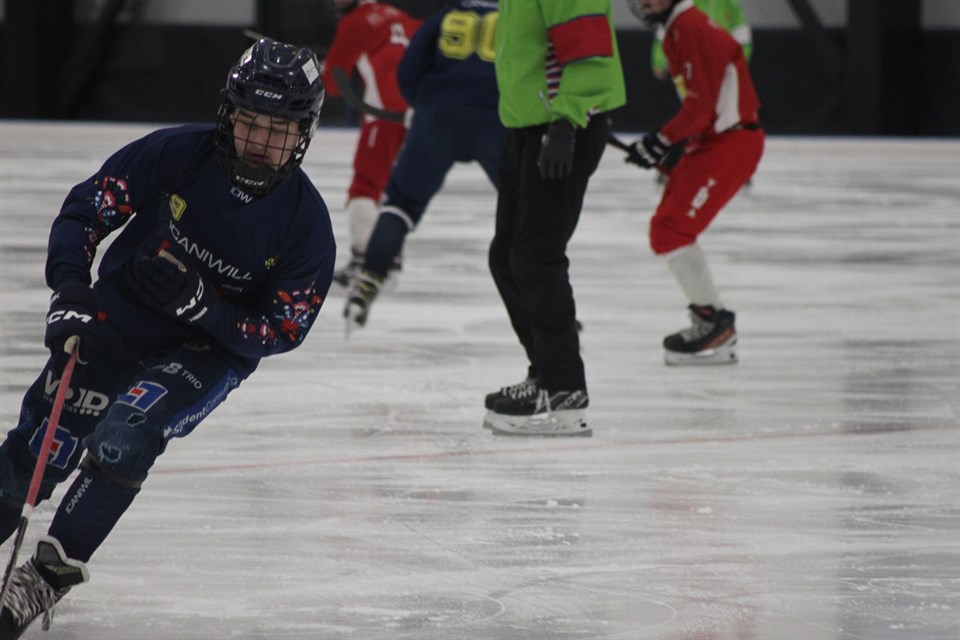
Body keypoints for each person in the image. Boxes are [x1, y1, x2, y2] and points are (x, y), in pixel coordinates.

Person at [0, 38, 332, 638]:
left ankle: (45, 578)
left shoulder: (305, 226)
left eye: (278, 129)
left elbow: (284, 328)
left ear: (303, 133)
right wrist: (71, 290)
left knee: (128, 433)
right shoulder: (176, 153)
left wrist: (208, 310)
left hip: (207, 352)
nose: (259, 140)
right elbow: (87, 209)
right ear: (227, 113)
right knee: (41, 448)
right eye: (249, 121)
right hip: (120, 317)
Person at [482, 0, 626, 437]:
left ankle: (564, 390)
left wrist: (565, 122)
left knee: (536, 256)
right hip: (528, 125)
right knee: (507, 256)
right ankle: (546, 374)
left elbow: (588, 50)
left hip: (562, 126)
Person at [343, 0, 506, 332]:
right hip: (496, 119)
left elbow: (408, 70)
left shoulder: (445, 17)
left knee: (401, 204)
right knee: (526, 207)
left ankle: (368, 280)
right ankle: (547, 306)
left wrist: (425, 107)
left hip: (438, 116)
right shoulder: (514, 18)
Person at [624, 0, 763, 365]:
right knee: (665, 229)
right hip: (712, 143)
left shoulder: (691, 28)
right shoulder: (677, 28)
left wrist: (660, 140)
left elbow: (701, 108)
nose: (643, 2)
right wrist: (662, 144)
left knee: (671, 230)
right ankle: (711, 319)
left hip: (729, 143)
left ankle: (714, 324)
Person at [321, 0, 421, 287]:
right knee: (391, 188)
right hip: (418, 112)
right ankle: (388, 257)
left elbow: (333, 82)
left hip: (384, 114)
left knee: (365, 187)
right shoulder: (398, 14)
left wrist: (323, 67)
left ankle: (368, 262)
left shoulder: (354, 21)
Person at [648, 0, 754, 182]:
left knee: (724, 118)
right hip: (690, 67)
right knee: (693, 114)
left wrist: (734, 68)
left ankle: (737, 166)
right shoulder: (684, 4)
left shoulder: (729, 4)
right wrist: (659, 61)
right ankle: (673, 163)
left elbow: (743, 38)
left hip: (721, 71)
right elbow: (664, 31)